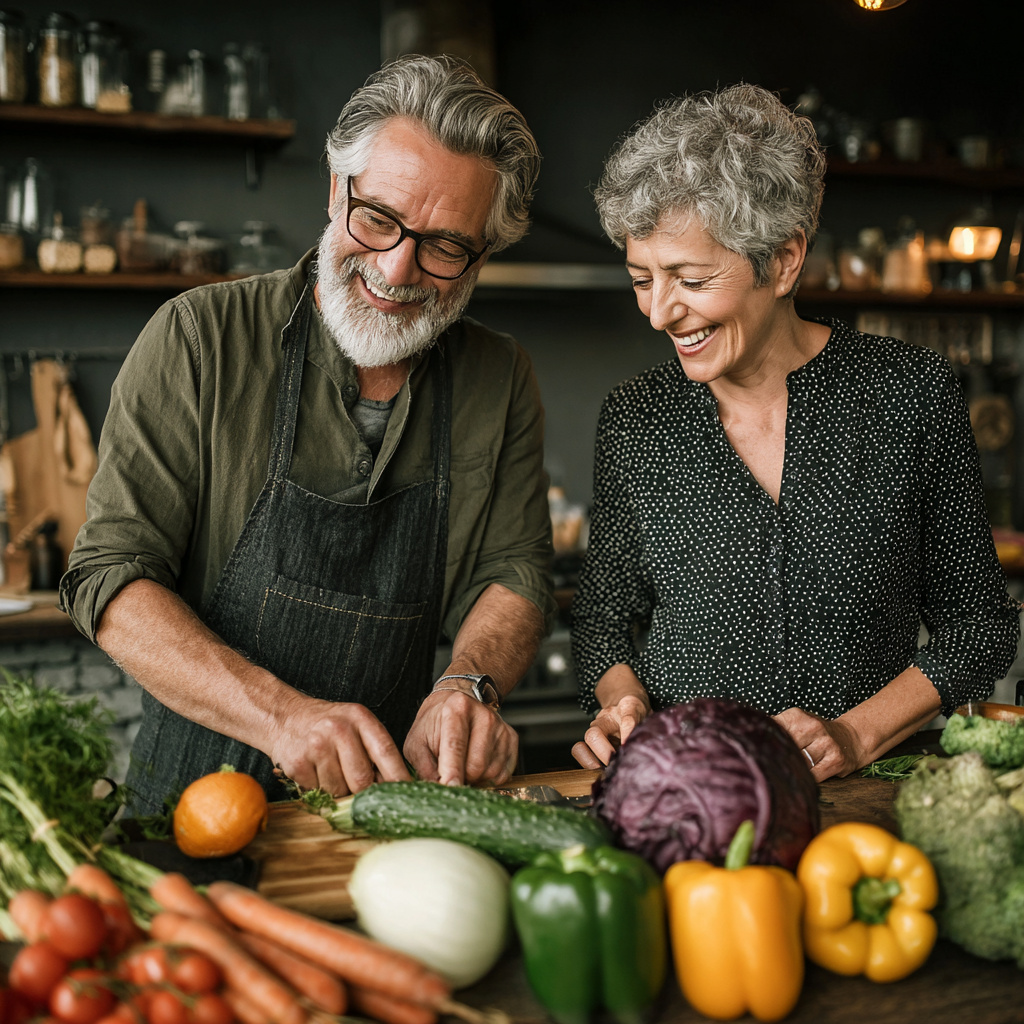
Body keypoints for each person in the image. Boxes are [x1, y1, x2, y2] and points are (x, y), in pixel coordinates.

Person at [60, 55, 555, 813]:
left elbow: (515, 573)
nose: (398, 267)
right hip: (196, 805)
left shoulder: (501, 376)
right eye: (379, 219)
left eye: (446, 246)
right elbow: (111, 577)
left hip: (392, 807)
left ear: (483, 253)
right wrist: (280, 716)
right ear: (336, 189)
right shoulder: (200, 337)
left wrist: (467, 684)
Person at [570, 84, 1019, 781]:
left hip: (869, 801)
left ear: (782, 261)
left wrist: (854, 734)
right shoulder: (635, 419)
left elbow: (979, 630)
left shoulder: (909, 393)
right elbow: (602, 626)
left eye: (688, 278)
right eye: (641, 279)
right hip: (690, 798)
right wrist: (620, 700)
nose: (659, 313)